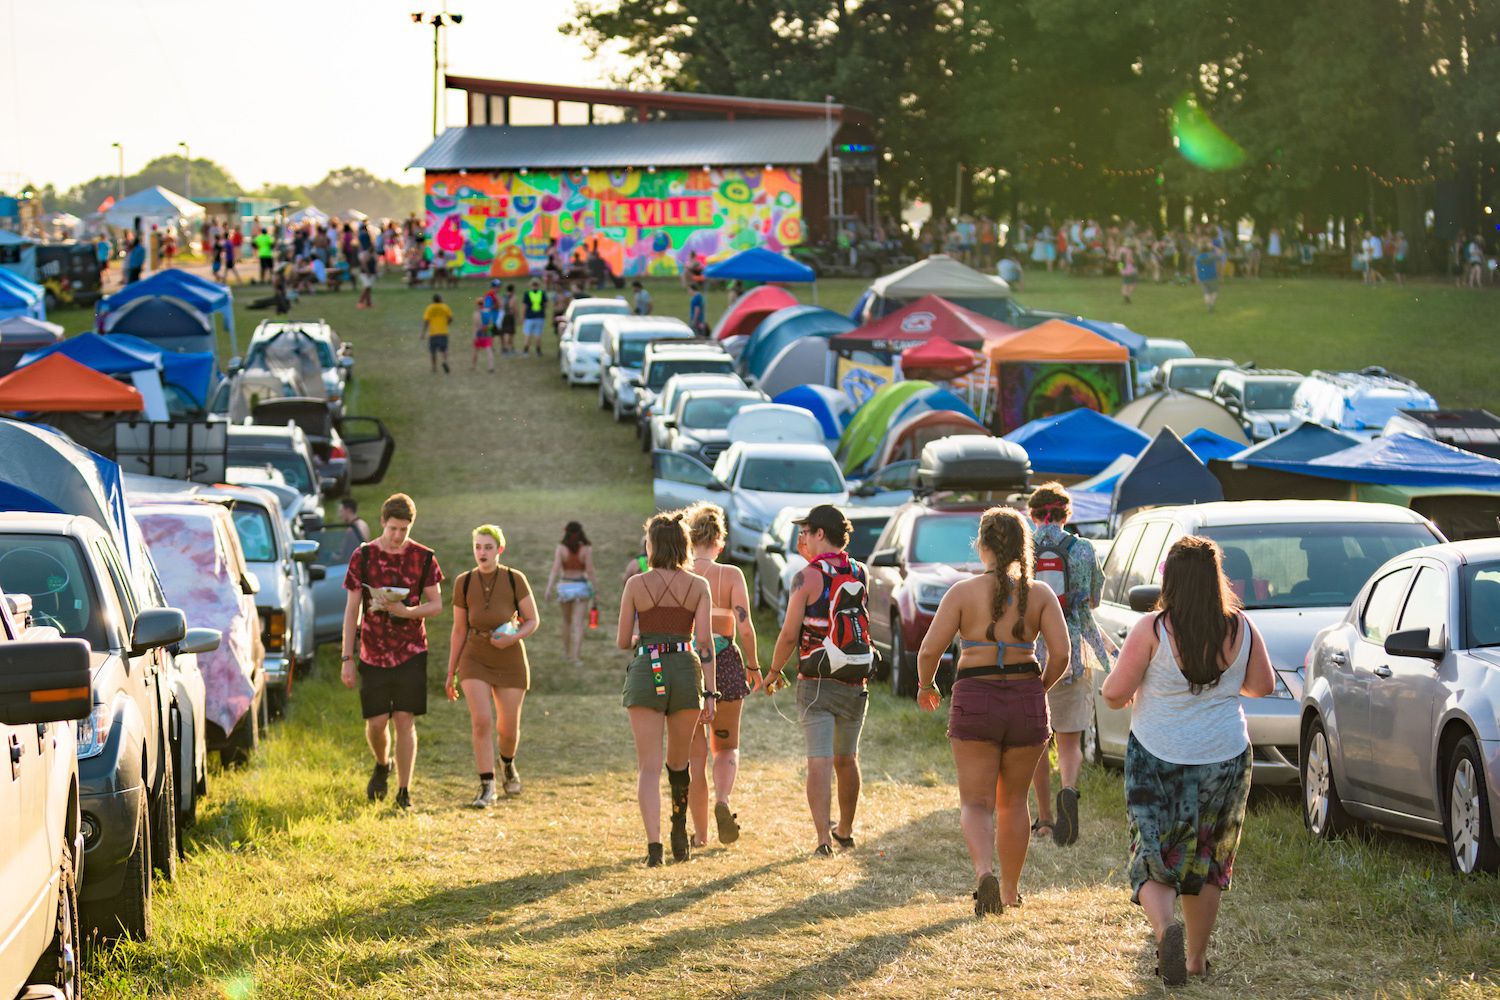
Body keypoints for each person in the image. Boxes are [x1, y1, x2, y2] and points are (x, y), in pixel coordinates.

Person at [1100, 537, 1273, 985]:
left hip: (1157, 756)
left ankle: (1165, 929)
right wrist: (1225, 683)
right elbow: (1263, 686)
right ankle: (1195, 959)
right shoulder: (1241, 628)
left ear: (1170, 580)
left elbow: (1114, 694)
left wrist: (1137, 688)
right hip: (1225, 758)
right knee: (1208, 860)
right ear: (1216, 579)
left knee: (1151, 852)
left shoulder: (1153, 629)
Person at [916, 506, 1069, 916]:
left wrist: (926, 686)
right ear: (1023, 546)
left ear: (981, 545)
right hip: (1025, 698)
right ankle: (1010, 892)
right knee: (1014, 802)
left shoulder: (962, 593)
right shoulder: (1040, 594)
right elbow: (1062, 654)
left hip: (975, 698)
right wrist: (1038, 689)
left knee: (976, 803)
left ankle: (985, 872)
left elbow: (929, 651)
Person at [765, 504, 871, 856]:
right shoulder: (860, 571)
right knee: (847, 758)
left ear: (820, 533)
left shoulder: (806, 576)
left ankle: (823, 840)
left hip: (817, 680)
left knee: (819, 760)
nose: (803, 538)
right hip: (855, 679)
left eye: (807, 532)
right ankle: (846, 830)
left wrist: (774, 670)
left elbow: (788, 634)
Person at [617, 511, 716, 866]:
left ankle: (654, 847)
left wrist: (643, 637)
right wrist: (711, 693)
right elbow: (704, 642)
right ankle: (679, 830)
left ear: (653, 545)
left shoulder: (635, 584)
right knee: (679, 763)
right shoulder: (699, 586)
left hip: (648, 668)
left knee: (648, 766)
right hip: (686, 671)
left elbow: (622, 640)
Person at [1023, 484, 1115, 845]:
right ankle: (1069, 790)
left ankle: (1045, 819)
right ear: (1067, 514)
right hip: (1072, 653)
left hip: (1030, 652)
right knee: (1070, 739)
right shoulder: (1084, 549)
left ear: (1032, 515)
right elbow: (1094, 600)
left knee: (1037, 743)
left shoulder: (1023, 549)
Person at [340, 493, 445, 810]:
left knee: (404, 720)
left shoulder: (423, 557)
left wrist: (407, 612)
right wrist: (347, 658)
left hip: (411, 651)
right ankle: (382, 763)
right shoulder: (364, 556)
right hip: (372, 652)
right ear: (382, 522)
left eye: (404, 529)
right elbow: (352, 610)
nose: (398, 536)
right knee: (376, 723)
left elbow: (436, 604)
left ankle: (403, 792)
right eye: (393, 528)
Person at [683, 503, 761, 848]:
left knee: (694, 757)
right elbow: (745, 626)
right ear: (720, 541)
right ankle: (723, 800)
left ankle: (700, 834)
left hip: (687, 664)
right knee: (726, 746)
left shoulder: (680, 573)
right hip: (726, 661)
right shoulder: (731, 575)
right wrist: (754, 665)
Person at [446, 525, 538, 806]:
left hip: (510, 658)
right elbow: (459, 630)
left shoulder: (514, 578)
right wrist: (450, 672)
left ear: (500, 549)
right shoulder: (463, 582)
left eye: (488, 547)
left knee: (507, 730)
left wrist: (513, 638)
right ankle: (487, 785)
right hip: (474, 656)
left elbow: (532, 620)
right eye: (477, 547)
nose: (482, 552)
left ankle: (507, 763)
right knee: (482, 720)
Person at [545, 521, 599, 665]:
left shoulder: (561, 548)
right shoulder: (586, 549)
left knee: (566, 621)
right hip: (581, 586)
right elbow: (590, 570)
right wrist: (595, 589)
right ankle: (576, 657)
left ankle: (566, 654)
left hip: (565, 586)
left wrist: (549, 588)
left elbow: (555, 569)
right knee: (578, 624)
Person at [421, 293, 453, 374]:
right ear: (440, 299)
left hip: (433, 333)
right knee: (444, 349)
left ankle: (434, 367)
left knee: (433, 351)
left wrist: (423, 333)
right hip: (443, 332)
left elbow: (426, 321)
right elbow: (450, 318)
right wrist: (446, 324)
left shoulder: (429, 308)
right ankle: (444, 361)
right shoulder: (445, 307)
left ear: (433, 300)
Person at [1193, 241, 1222, 313]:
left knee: (1206, 293)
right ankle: (1211, 303)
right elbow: (1220, 254)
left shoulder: (1198, 257)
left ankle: (1208, 305)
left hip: (1202, 277)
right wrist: (1214, 247)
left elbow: (1196, 268)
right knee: (1214, 291)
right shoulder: (1212, 255)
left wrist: (1197, 277)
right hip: (1212, 276)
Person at [521, 278, 547, 357]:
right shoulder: (542, 293)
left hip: (529, 317)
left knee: (527, 334)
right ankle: (538, 351)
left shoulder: (527, 294)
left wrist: (523, 316)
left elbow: (524, 306)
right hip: (540, 316)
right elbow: (545, 305)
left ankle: (526, 351)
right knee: (538, 335)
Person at [471, 296, 495, 372]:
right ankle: (491, 367)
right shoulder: (487, 311)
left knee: (476, 351)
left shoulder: (476, 313)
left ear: (477, 304)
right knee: (489, 350)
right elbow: (491, 322)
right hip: (487, 333)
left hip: (479, 333)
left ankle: (473, 366)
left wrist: (474, 335)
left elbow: (476, 325)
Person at [1118, 240, 1138, 304]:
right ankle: (1128, 296)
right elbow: (1130, 260)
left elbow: (1119, 261)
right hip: (1130, 269)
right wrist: (1134, 262)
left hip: (1123, 270)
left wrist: (1120, 269)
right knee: (1133, 284)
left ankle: (1125, 296)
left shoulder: (1120, 250)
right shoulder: (1130, 251)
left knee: (1125, 284)